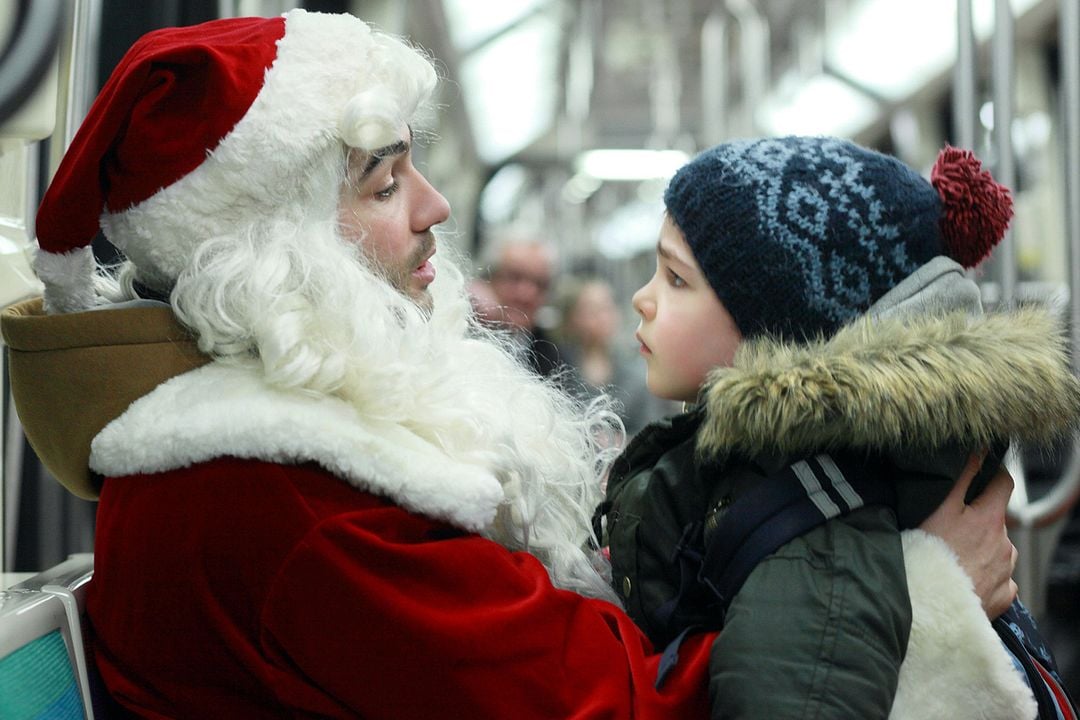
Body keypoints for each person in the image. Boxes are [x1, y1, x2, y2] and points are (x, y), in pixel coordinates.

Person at [0, 11, 1023, 718]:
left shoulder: (266, 455)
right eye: (386, 183)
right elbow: (636, 711)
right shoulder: (292, 507)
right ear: (274, 245)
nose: (437, 208)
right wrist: (922, 591)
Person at [602, 136, 1080, 718]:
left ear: (780, 333)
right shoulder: (788, 476)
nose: (641, 299)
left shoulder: (814, 524)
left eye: (676, 280)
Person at [554, 275, 676, 437]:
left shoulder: (638, 375)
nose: (604, 317)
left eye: (608, 307)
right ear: (572, 318)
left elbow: (651, 433)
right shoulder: (557, 372)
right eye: (593, 310)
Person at [479, 228, 562, 377]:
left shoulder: (555, 360)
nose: (526, 295)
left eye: (539, 284)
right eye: (514, 278)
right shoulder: (455, 334)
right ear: (487, 279)